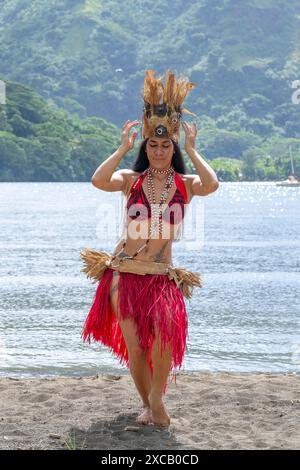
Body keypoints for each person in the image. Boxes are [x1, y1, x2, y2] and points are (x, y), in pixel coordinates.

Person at [80, 69, 219, 427]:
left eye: (165, 145)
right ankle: (148, 406)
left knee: (163, 342)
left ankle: (157, 399)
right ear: (146, 147)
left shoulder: (186, 185)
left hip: (160, 276)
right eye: (152, 146)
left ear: (173, 148)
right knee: (136, 349)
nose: (158, 151)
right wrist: (123, 147)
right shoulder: (131, 180)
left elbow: (212, 183)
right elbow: (98, 180)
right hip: (124, 275)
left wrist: (192, 147)